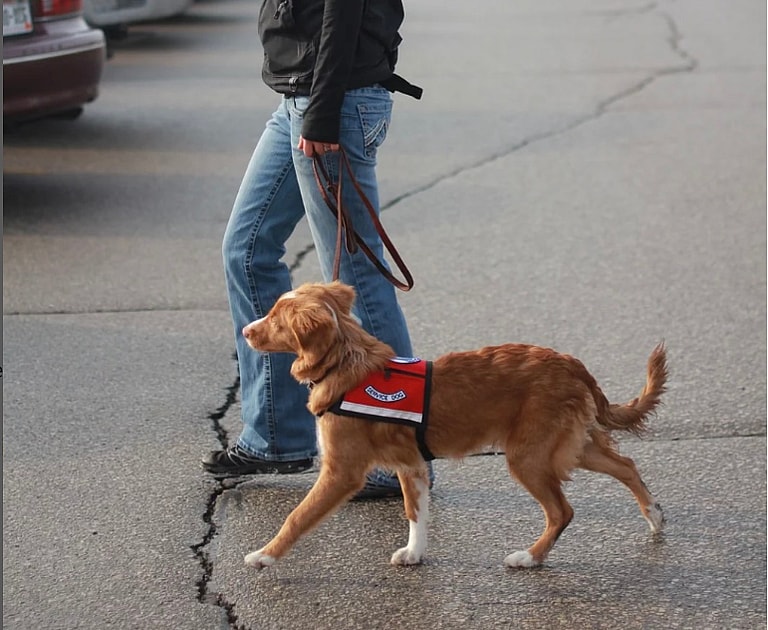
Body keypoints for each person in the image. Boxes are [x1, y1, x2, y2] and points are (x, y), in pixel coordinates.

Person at [202, 0, 432, 498]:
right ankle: (276, 438)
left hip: (334, 101)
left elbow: (343, 11)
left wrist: (324, 111)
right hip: (296, 99)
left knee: (358, 275)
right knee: (246, 249)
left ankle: (400, 454)